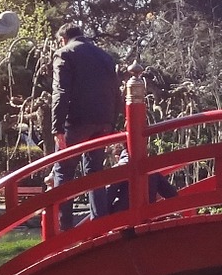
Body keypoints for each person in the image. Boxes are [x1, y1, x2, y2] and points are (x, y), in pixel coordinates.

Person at [50, 23, 122, 230]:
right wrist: (112, 124)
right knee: (95, 172)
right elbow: (116, 92)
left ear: (63, 38)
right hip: (103, 121)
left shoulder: (64, 54)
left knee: (63, 171)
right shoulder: (104, 56)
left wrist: (57, 128)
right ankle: (100, 224)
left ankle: (64, 229)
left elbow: (61, 93)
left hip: (77, 121)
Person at [106, 144, 179, 213]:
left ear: (117, 157)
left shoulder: (119, 168)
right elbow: (172, 194)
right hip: (148, 214)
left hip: (122, 216)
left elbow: (107, 196)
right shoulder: (150, 167)